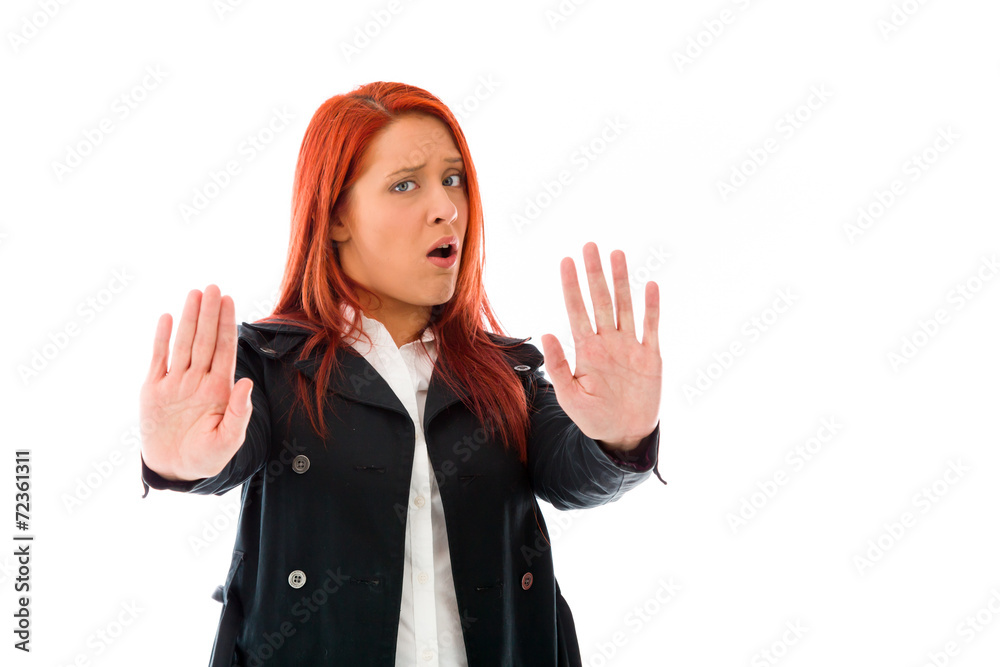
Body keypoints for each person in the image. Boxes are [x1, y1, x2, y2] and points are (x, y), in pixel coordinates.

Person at [138, 81, 667, 667]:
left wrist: (621, 436)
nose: (446, 207)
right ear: (336, 216)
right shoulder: (269, 366)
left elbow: (574, 472)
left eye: (453, 178)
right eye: (405, 184)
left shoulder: (503, 373)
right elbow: (224, 453)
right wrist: (180, 464)